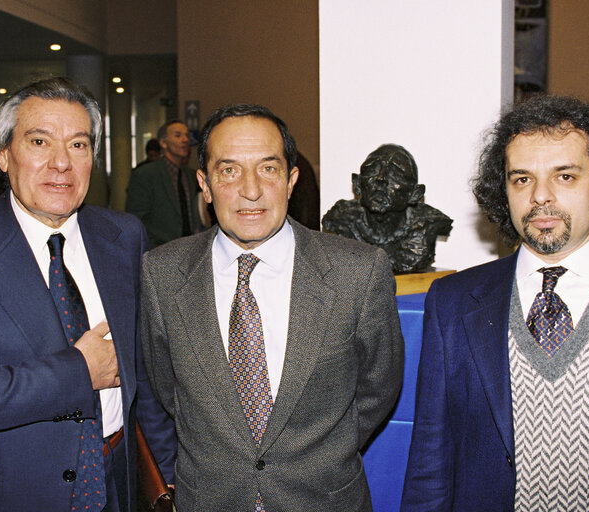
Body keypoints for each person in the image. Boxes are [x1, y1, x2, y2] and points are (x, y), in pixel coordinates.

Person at [0, 77, 176, 512]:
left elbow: (144, 377)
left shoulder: (123, 236)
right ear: (3, 155)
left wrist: (165, 481)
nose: (61, 163)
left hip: (117, 480)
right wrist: (78, 371)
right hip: (12, 492)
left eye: (78, 145)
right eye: (39, 141)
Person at [140, 103, 404, 511]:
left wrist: (319, 455)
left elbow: (378, 387)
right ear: (204, 185)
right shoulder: (162, 273)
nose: (251, 189)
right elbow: (166, 389)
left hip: (324, 498)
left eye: (268, 168)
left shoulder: (359, 271)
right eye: (229, 171)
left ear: (291, 179)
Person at [401, 95, 589, 511]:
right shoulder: (453, 303)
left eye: (565, 177)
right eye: (522, 179)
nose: (540, 197)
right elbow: (430, 460)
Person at [322, 144, 452, 273]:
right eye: (373, 170)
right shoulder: (341, 218)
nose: (381, 179)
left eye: (395, 174)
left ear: (415, 194)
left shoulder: (427, 224)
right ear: (357, 184)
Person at [125, 120, 200, 248]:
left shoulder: (191, 175)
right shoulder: (145, 174)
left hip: (190, 249)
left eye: (187, 135)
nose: (185, 140)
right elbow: (136, 219)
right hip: (159, 250)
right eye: (178, 135)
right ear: (163, 143)